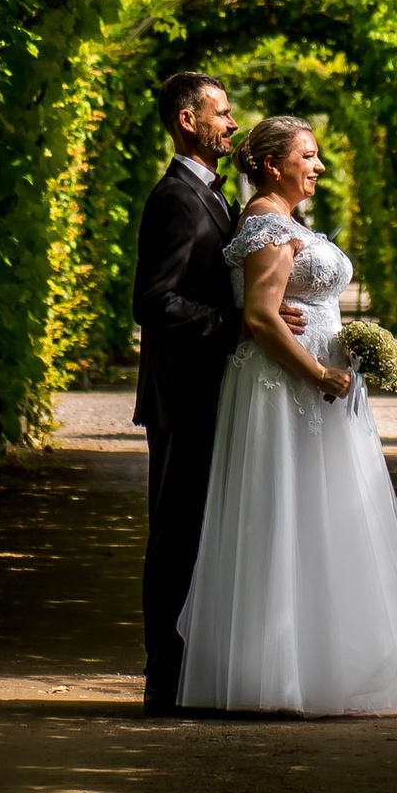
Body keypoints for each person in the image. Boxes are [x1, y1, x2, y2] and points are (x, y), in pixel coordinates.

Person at [173, 113, 397, 715]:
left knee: (320, 513)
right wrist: (319, 373)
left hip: (311, 387)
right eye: (309, 155)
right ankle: (276, 674)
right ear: (274, 165)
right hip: (284, 388)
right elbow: (260, 317)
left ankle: (322, 662)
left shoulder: (285, 221)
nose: (319, 165)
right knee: (284, 511)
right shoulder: (267, 224)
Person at [130, 71, 304, 713]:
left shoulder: (216, 195)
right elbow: (154, 302)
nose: (232, 123)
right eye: (222, 113)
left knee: (208, 531)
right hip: (182, 395)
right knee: (176, 536)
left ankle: (197, 671)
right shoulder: (175, 198)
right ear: (188, 120)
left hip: (215, 390)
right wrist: (238, 325)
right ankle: (163, 680)